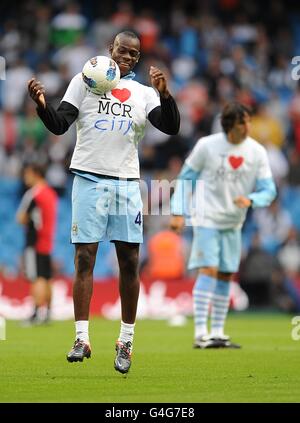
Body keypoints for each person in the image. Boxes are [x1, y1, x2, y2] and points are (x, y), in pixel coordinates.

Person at [27, 31, 180, 373]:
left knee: (129, 261)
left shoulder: (142, 93)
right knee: (84, 257)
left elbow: (170, 127)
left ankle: (126, 341)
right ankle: (81, 338)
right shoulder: (84, 81)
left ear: (138, 59)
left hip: (126, 183)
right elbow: (59, 125)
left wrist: (165, 94)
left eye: (133, 54)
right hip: (89, 178)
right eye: (122, 50)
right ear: (110, 49)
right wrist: (41, 105)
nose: (127, 57)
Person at [170, 102, 276, 349]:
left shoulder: (257, 151)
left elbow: (269, 190)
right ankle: (200, 333)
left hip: (234, 221)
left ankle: (217, 331)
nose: (248, 126)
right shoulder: (207, 146)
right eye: (243, 122)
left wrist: (252, 199)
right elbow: (186, 178)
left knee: (227, 272)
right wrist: (177, 211)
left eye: (249, 120)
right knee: (209, 269)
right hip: (206, 216)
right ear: (230, 125)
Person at [17, 163, 57, 325]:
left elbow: (21, 218)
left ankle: (36, 313)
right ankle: (47, 312)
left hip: (34, 241)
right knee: (47, 277)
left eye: (27, 174)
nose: (26, 178)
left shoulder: (33, 194)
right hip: (48, 239)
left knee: (37, 277)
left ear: (35, 173)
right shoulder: (51, 193)